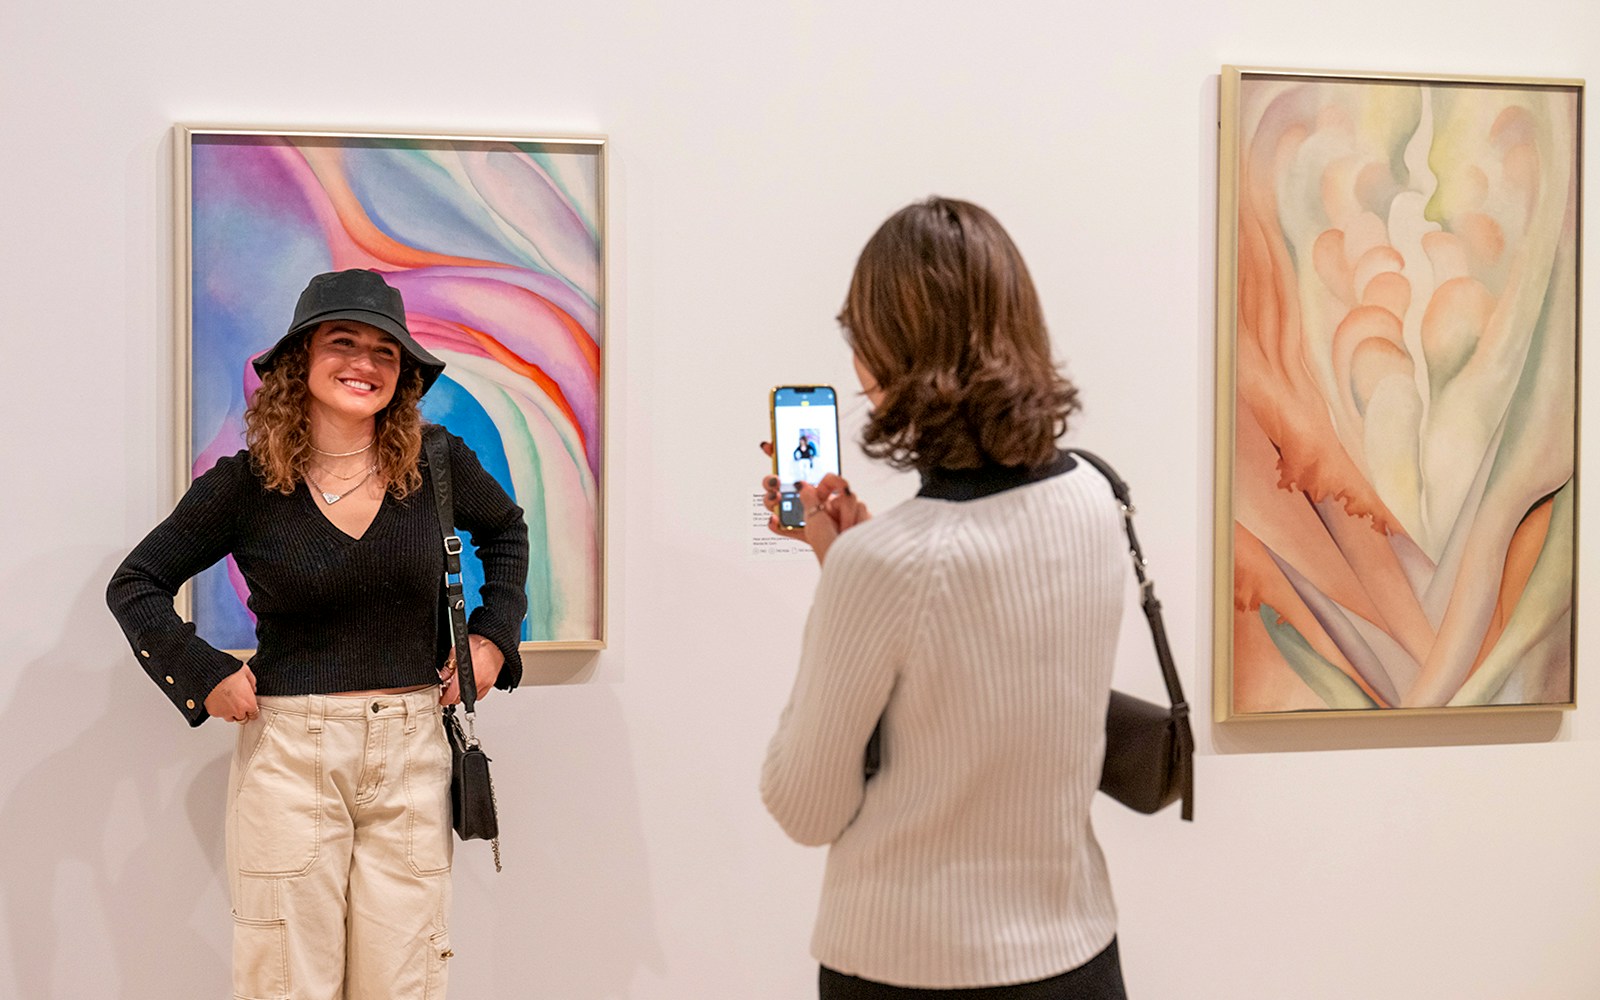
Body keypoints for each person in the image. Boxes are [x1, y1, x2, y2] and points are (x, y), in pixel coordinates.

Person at [106, 268, 529, 1000]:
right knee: (287, 982)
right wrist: (201, 670)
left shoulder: (436, 463)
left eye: (384, 351)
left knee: (406, 979)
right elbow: (136, 584)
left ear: (402, 373)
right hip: (291, 755)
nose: (364, 363)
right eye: (343, 342)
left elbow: (507, 532)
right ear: (301, 359)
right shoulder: (244, 486)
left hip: (412, 749)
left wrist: (492, 638)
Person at [760, 198, 1130, 999]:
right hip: (1078, 957)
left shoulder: (890, 565)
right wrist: (846, 563)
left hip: (913, 970)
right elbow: (984, 680)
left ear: (894, 357)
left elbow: (803, 805)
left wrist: (846, 582)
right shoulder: (1101, 501)